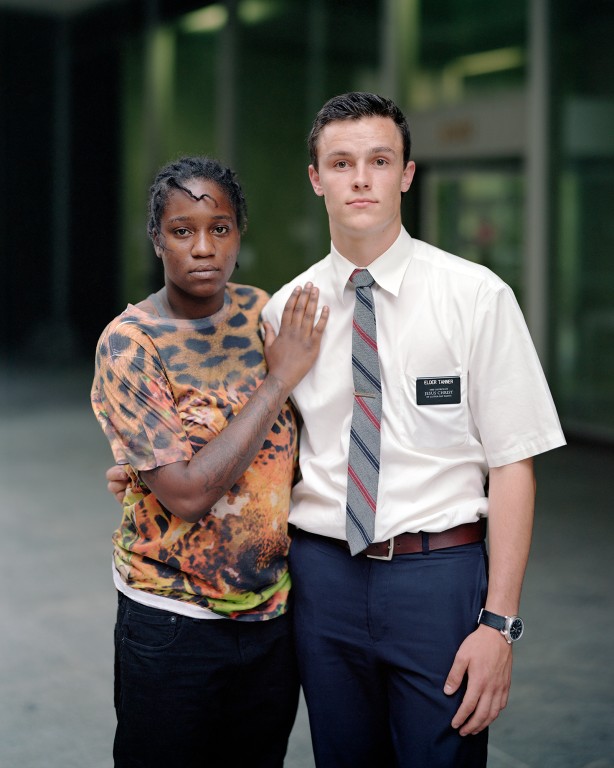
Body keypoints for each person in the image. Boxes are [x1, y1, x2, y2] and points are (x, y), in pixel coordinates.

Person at [259, 92, 566, 767]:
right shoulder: (287, 309)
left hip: (438, 577)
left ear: (407, 174)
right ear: (315, 178)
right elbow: (271, 455)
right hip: (322, 579)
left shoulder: (475, 296)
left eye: (378, 160)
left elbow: (514, 463)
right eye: (341, 163)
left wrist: (499, 623)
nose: (360, 178)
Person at [91, 155, 328, 768]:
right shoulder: (130, 341)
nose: (203, 247)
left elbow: (309, 445)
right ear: (157, 239)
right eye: (182, 230)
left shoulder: (264, 315)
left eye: (219, 228)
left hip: (271, 615)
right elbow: (188, 495)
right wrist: (277, 381)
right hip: (170, 622)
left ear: (239, 234)